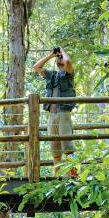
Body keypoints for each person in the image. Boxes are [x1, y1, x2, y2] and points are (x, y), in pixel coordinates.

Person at [33, 46, 77, 176]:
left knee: (68, 148)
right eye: (59, 58)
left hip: (64, 114)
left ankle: (73, 177)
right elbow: (36, 67)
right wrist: (52, 55)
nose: (60, 59)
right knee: (55, 149)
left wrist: (62, 50)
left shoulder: (69, 73)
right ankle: (57, 177)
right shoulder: (52, 75)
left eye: (61, 57)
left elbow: (68, 62)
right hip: (52, 115)